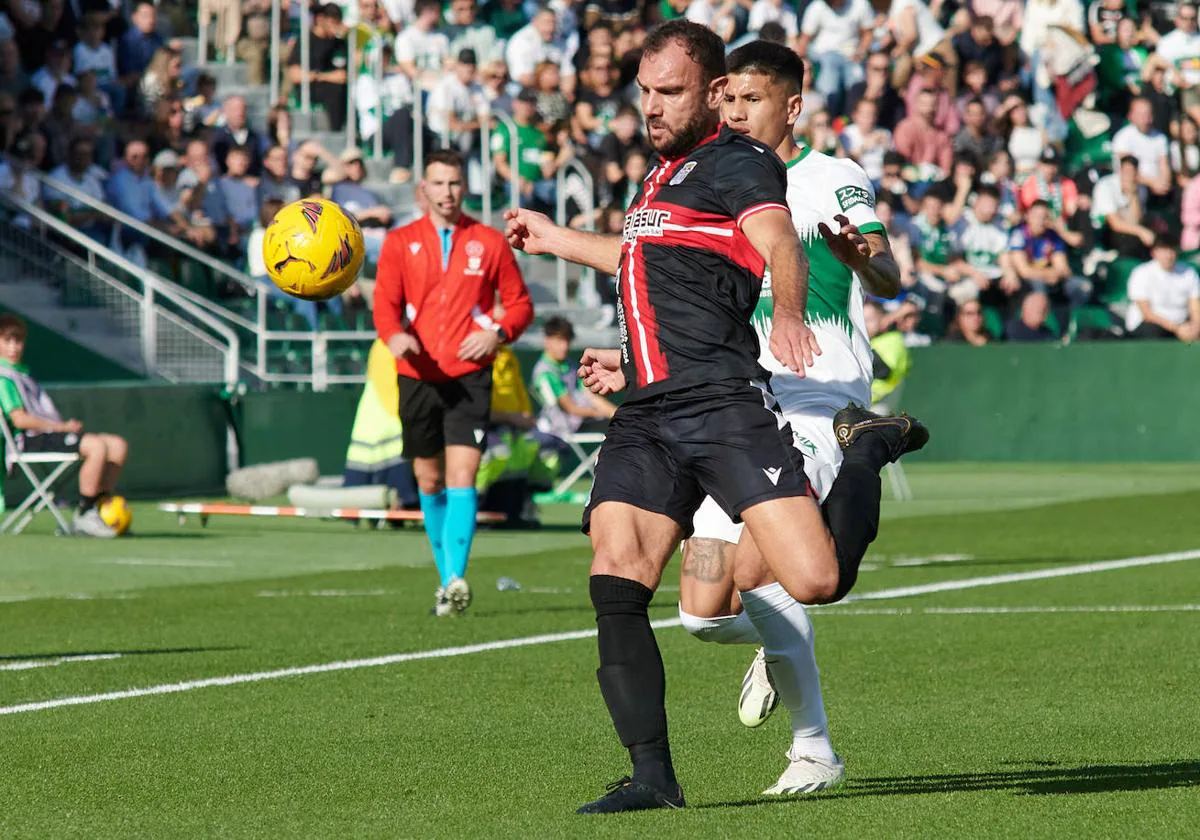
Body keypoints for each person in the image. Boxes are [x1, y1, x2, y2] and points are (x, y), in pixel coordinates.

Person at [504, 22, 926, 813]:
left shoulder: (741, 162)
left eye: (669, 92)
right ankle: (652, 779)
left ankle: (866, 450)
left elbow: (781, 246)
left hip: (737, 404)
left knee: (811, 578)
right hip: (651, 412)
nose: (651, 107)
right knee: (631, 577)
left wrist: (792, 313)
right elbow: (654, 268)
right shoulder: (660, 178)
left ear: (714, 96)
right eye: (644, 91)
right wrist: (561, 247)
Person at [676, 40, 906, 797]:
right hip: (739, 404)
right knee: (703, 611)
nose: (735, 112)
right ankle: (777, 641)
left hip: (817, 400)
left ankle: (814, 751)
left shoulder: (830, 177)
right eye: (728, 101)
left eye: (750, 100)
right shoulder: (714, 182)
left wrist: (863, 256)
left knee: (754, 571)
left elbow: (885, 265)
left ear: (792, 106)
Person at [373, 150, 534, 617]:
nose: (447, 192)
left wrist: (496, 334)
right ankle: (447, 580)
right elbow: (384, 305)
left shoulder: (489, 241)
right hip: (417, 376)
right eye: (438, 184)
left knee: (463, 475)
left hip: (470, 378)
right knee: (428, 478)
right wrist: (395, 335)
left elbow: (520, 305)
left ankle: (456, 580)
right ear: (423, 189)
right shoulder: (401, 242)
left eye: (455, 183)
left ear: (465, 188)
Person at [0, 314, 129, 538]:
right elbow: (20, 420)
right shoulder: (4, 378)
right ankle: (85, 514)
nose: (13, 347)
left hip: (48, 435)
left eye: (18, 341)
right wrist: (59, 427)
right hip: (28, 441)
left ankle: (101, 506)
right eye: (7, 341)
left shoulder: (23, 374)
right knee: (95, 447)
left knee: (117, 445)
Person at [530, 316, 616, 446]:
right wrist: (599, 414)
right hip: (558, 432)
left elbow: (591, 397)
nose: (564, 346)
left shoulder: (569, 364)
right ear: (547, 341)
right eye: (559, 340)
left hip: (583, 422)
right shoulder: (544, 372)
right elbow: (570, 408)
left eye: (567, 340)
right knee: (616, 429)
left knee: (621, 424)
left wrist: (618, 414)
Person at [1125, 234, 1200, 341]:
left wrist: (1195, 328)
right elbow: (1147, 314)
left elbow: (1195, 307)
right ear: (1154, 252)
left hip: (1182, 325)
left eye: (1172, 250)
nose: (1169, 255)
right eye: (1164, 250)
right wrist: (1177, 329)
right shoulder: (1141, 273)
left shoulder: (1189, 273)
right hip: (1151, 325)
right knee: (1153, 333)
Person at [287, 3, 349, 132]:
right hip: (310, 89)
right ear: (321, 20)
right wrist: (323, 76)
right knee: (334, 89)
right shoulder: (305, 40)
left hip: (331, 85)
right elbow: (294, 74)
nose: (335, 27)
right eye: (332, 22)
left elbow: (344, 75)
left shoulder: (339, 43)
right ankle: (336, 132)